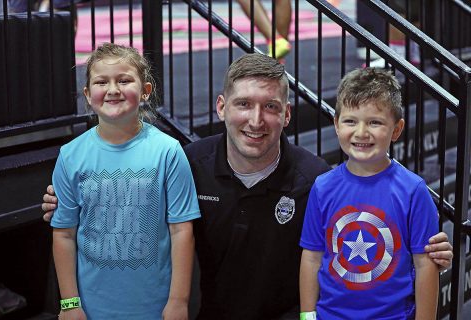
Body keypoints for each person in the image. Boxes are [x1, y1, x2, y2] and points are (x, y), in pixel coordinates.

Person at [43, 54, 453, 320]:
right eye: (244, 104)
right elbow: (128, 207)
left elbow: (350, 242)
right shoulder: (185, 163)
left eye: (270, 107)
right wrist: (68, 202)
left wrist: (427, 249)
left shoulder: (315, 182)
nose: (256, 120)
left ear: (287, 114)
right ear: (222, 107)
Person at [50, 43, 200, 320]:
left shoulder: (168, 151)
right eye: (101, 81)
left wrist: (179, 301)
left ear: (145, 91)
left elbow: (181, 231)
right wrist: (70, 304)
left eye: (124, 80)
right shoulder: (70, 155)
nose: (113, 89)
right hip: (92, 308)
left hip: (154, 306)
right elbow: (64, 234)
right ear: (88, 94)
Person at [300, 67, 439, 320]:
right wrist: (307, 315)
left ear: (397, 130)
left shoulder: (413, 191)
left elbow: (425, 265)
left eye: (375, 122)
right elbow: (311, 256)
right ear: (336, 124)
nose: (361, 132)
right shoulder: (322, 187)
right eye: (350, 121)